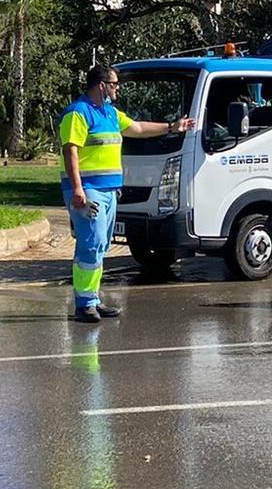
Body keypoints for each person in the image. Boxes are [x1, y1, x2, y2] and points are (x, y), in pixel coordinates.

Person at [59, 65, 191, 323]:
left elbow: (138, 128)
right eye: (114, 84)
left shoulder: (109, 113)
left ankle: (92, 298)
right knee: (91, 243)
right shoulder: (78, 113)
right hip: (89, 190)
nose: (117, 88)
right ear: (101, 85)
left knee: (101, 244)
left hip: (109, 191)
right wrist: (77, 189)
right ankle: (84, 303)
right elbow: (70, 151)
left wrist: (172, 127)